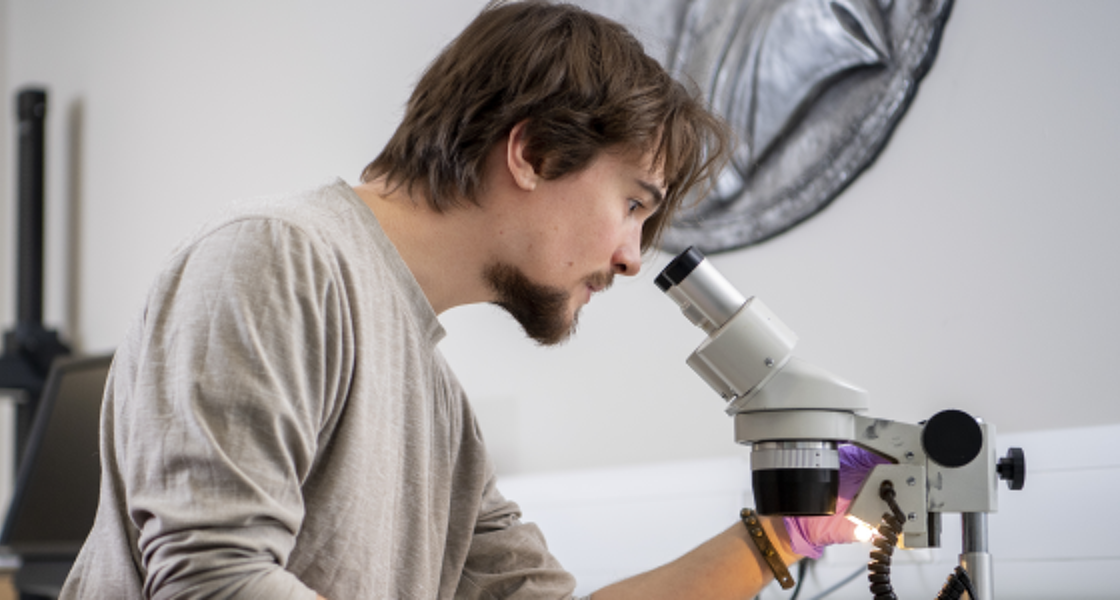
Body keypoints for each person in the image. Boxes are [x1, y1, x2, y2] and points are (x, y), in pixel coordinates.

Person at [60, 2, 877, 598]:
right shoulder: (278, 258)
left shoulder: (439, 409)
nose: (633, 258)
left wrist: (777, 537)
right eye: (633, 203)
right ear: (531, 151)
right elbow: (216, 580)